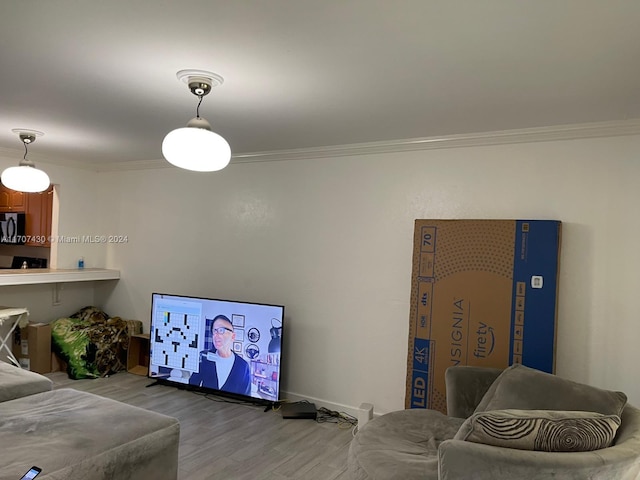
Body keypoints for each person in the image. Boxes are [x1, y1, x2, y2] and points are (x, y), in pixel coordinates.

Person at [189, 314, 251, 396]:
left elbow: (245, 397)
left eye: (221, 330)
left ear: (233, 336)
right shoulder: (205, 357)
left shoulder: (243, 366)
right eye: (214, 331)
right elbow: (192, 384)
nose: (216, 335)